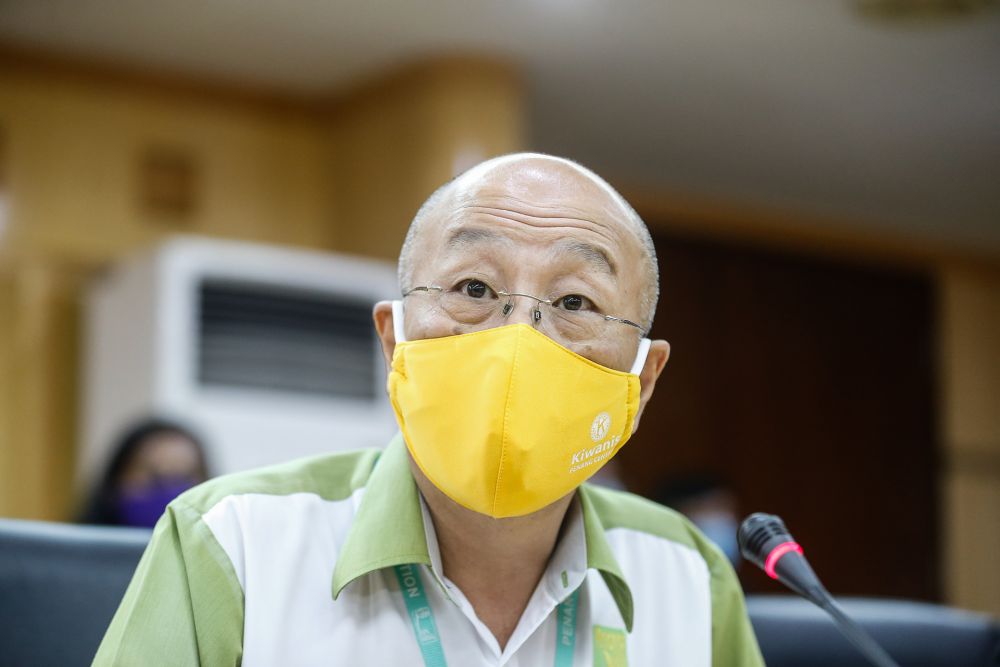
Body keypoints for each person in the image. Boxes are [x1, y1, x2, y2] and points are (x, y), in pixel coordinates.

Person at [93, 153, 764, 666]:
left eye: (574, 302)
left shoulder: (691, 577)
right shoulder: (231, 543)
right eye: (474, 287)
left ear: (642, 380)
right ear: (394, 339)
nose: (517, 340)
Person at [80, 418, 210, 528]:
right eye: (155, 476)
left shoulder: (220, 554)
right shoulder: (75, 551)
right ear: (118, 478)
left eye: (182, 477)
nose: (168, 489)